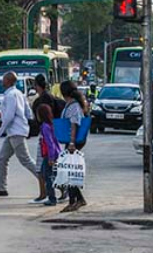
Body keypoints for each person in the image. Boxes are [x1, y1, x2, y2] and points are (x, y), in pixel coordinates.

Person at [0, 72, 39, 198]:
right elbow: (28, 112)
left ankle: (48, 181)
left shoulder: (11, 95)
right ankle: (1, 188)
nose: (2, 81)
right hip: (14, 132)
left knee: (26, 161)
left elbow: (9, 116)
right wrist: (27, 125)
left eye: (4, 79)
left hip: (16, 132)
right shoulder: (19, 94)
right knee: (2, 159)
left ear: (9, 81)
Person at [30, 74, 65, 204]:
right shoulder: (53, 99)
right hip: (54, 138)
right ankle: (59, 191)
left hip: (46, 145)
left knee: (43, 171)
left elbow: (49, 142)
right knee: (50, 171)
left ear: (36, 86)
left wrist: (50, 156)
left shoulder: (40, 102)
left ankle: (46, 195)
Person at [59, 80, 89, 212]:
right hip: (72, 141)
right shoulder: (71, 104)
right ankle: (78, 199)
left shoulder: (74, 106)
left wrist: (71, 143)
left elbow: (74, 124)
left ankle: (74, 201)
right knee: (69, 170)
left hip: (74, 141)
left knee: (69, 170)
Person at [35, 103, 61, 206]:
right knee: (44, 173)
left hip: (49, 154)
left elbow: (50, 143)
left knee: (48, 176)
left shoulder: (45, 127)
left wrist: (50, 157)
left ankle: (52, 198)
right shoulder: (51, 125)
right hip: (53, 153)